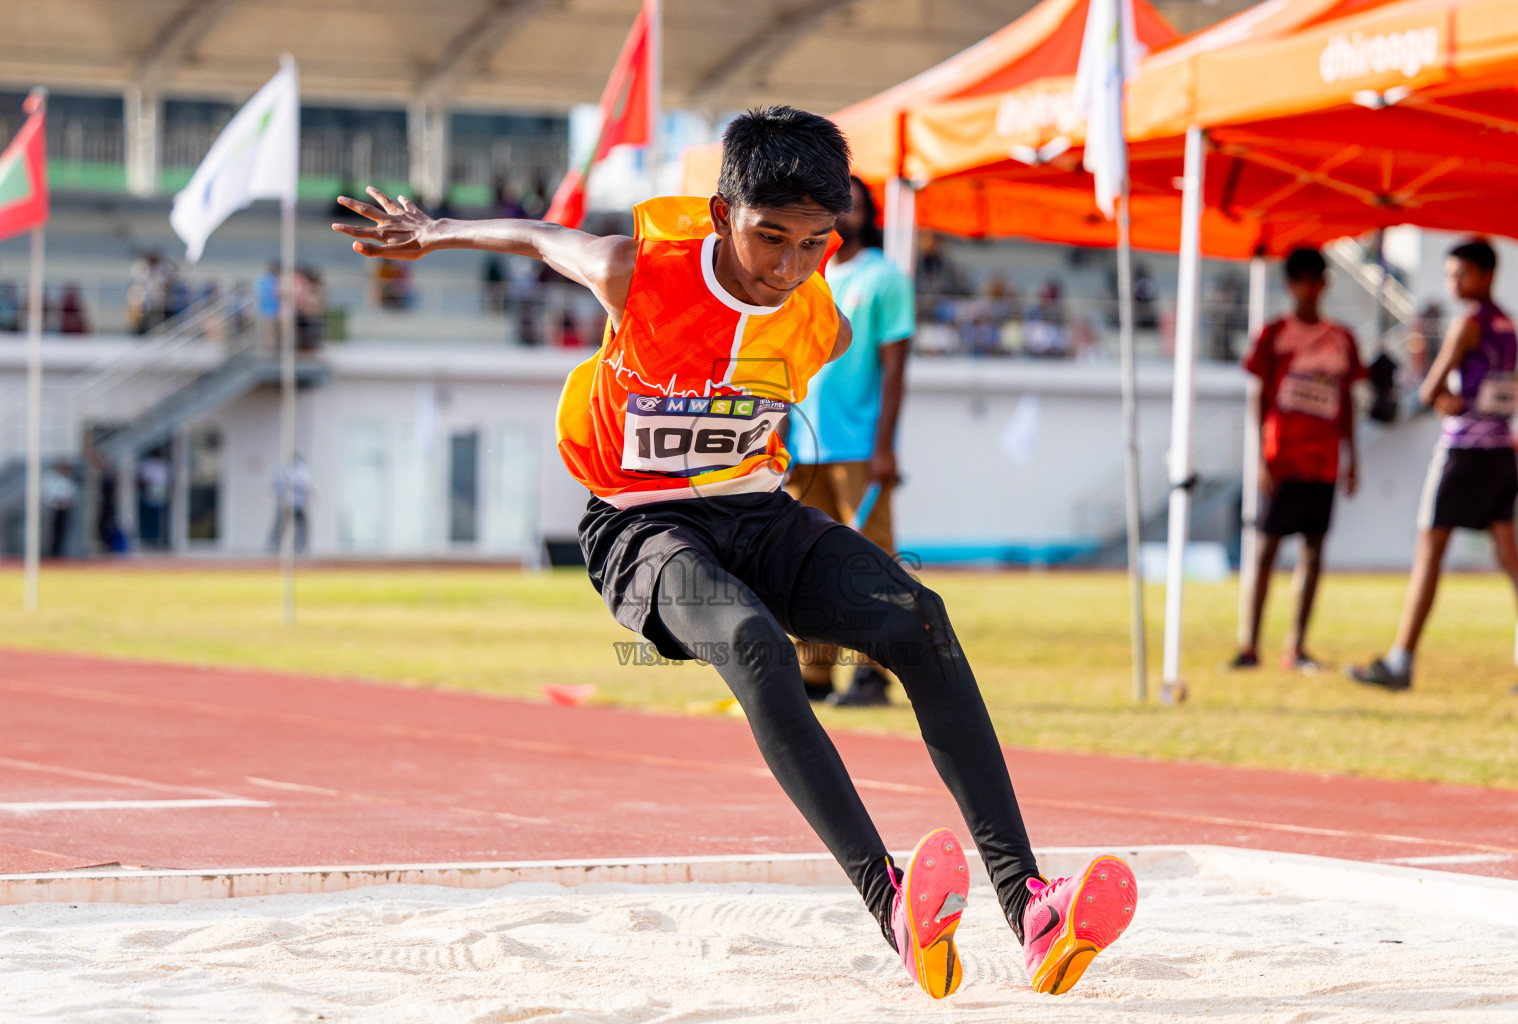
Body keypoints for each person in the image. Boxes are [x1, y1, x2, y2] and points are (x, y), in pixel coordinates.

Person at [333, 106, 1138, 1001]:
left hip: (759, 512)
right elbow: (542, 238)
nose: (787, 268)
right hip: (644, 526)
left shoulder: (818, 314)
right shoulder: (634, 272)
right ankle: (893, 904)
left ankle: (1030, 906)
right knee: (756, 645)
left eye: (813, 243)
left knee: (924, 623)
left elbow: (808, 371)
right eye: (769, 239)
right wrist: (435, 230)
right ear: (721, 216)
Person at [1349, 239, 1518, 693]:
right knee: (1511, 558)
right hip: (1499, 453)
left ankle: (1401, 660)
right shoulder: (1508, 324)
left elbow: (1431, 389)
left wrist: (1442, 398)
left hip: (1463, 452)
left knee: (1429, 553)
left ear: (1485, 274)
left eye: (1461, 274)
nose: (1453, 283)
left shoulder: (1467, 323)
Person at [785, 174, 914, 706]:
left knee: (869, 562)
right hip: (803, 447)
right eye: (841, 207)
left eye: (857, 206)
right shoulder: (805, 278)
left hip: (860, 447)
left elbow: (895, 370)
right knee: (800, 562)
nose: (848, 215)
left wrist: (884, 446)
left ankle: (873, 675)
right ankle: (813, 675)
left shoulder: (884, 278)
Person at [1231, 248, 1364, 672]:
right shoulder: (1274, 335)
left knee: (1314, 550)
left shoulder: (1342, 339)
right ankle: (1249, 645)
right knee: (1267, 549)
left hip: (1323, 462)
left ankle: (1297, 647)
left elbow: (1346, 402)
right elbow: (1258, 395)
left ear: (1324, 284)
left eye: (1315, 280)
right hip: (1283, 459)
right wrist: (1259, 458)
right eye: (1301, 281)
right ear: (1290, 286)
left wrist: (1352, 456)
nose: (1308, 289)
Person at [268, 455, 311, 555]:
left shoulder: (297, 471)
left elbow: (306, 487)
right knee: (282, 525)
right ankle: (276, 545)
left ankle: (299, 546)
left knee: (298, 526)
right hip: (290, 503)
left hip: (295, 503)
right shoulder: (290, 471)